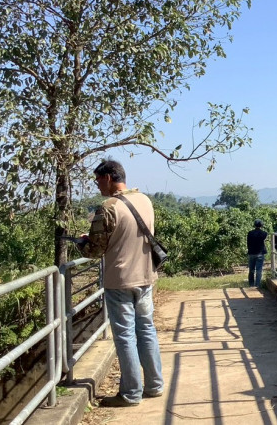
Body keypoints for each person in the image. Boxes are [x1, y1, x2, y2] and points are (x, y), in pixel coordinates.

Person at [80, 160, 164, 407]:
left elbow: (95, 250)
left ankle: (131, 393)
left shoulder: (108, 207)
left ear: (108, 177)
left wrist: (82, 243)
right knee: (146, 329)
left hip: (119, 280)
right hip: (145, 277)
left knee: (125, 336)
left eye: (98, 180)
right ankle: (154, 385)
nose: (97, 185)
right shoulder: (145, 200)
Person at [246, 219, 268, 287]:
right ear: (261, 225)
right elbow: (265, 235)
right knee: (259, 270)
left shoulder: (250, 233)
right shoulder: (263, 233)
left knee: (251, 270)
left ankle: (251, 284)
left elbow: (248, 243)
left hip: (251, 253)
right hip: (260, 253)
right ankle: (257, 285)